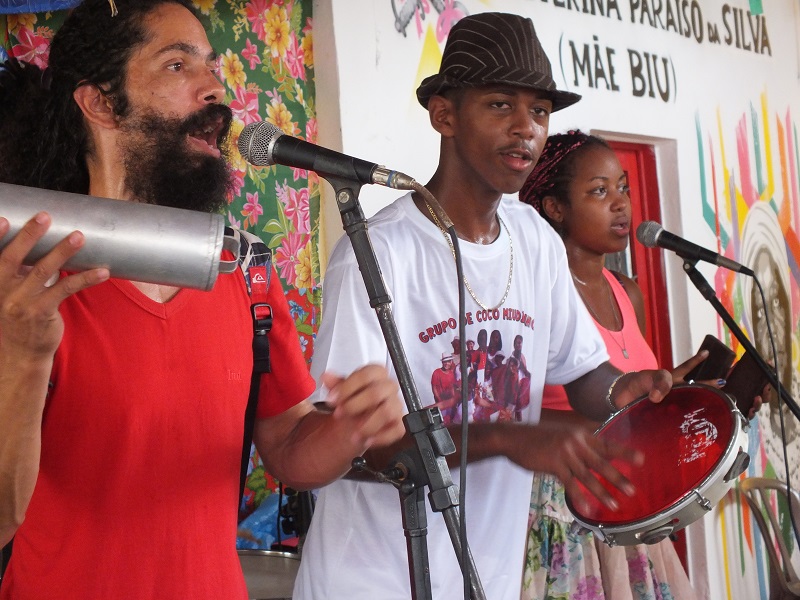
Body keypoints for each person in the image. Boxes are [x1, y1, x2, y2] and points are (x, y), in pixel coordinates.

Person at [0, 1, 405, 598]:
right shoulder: (24, 278)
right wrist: (24, 355)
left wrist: (347, 431)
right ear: (101, 103)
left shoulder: (244, 268)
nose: (215, 87)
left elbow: (290, 446)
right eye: (176, 65)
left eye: (213, 66)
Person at [293, 13, 672, 600]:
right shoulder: (376, 254)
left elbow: (585, 375)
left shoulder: (538, 241)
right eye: (501, 105)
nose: (526, 128)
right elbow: (353, 447)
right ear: (445, 114)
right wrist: (508, 438)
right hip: (373, 579)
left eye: (540, 112)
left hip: (485, 576)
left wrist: (622, 391)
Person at [518, 130, 703, 599]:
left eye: (623, 186)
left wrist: (687, 397)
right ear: (555, 208)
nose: (621, 204)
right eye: (599, 191)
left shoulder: (628, 292)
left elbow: (628, 400)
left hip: (627, 509)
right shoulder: (533, 295)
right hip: (561, 513)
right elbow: (505, 413)